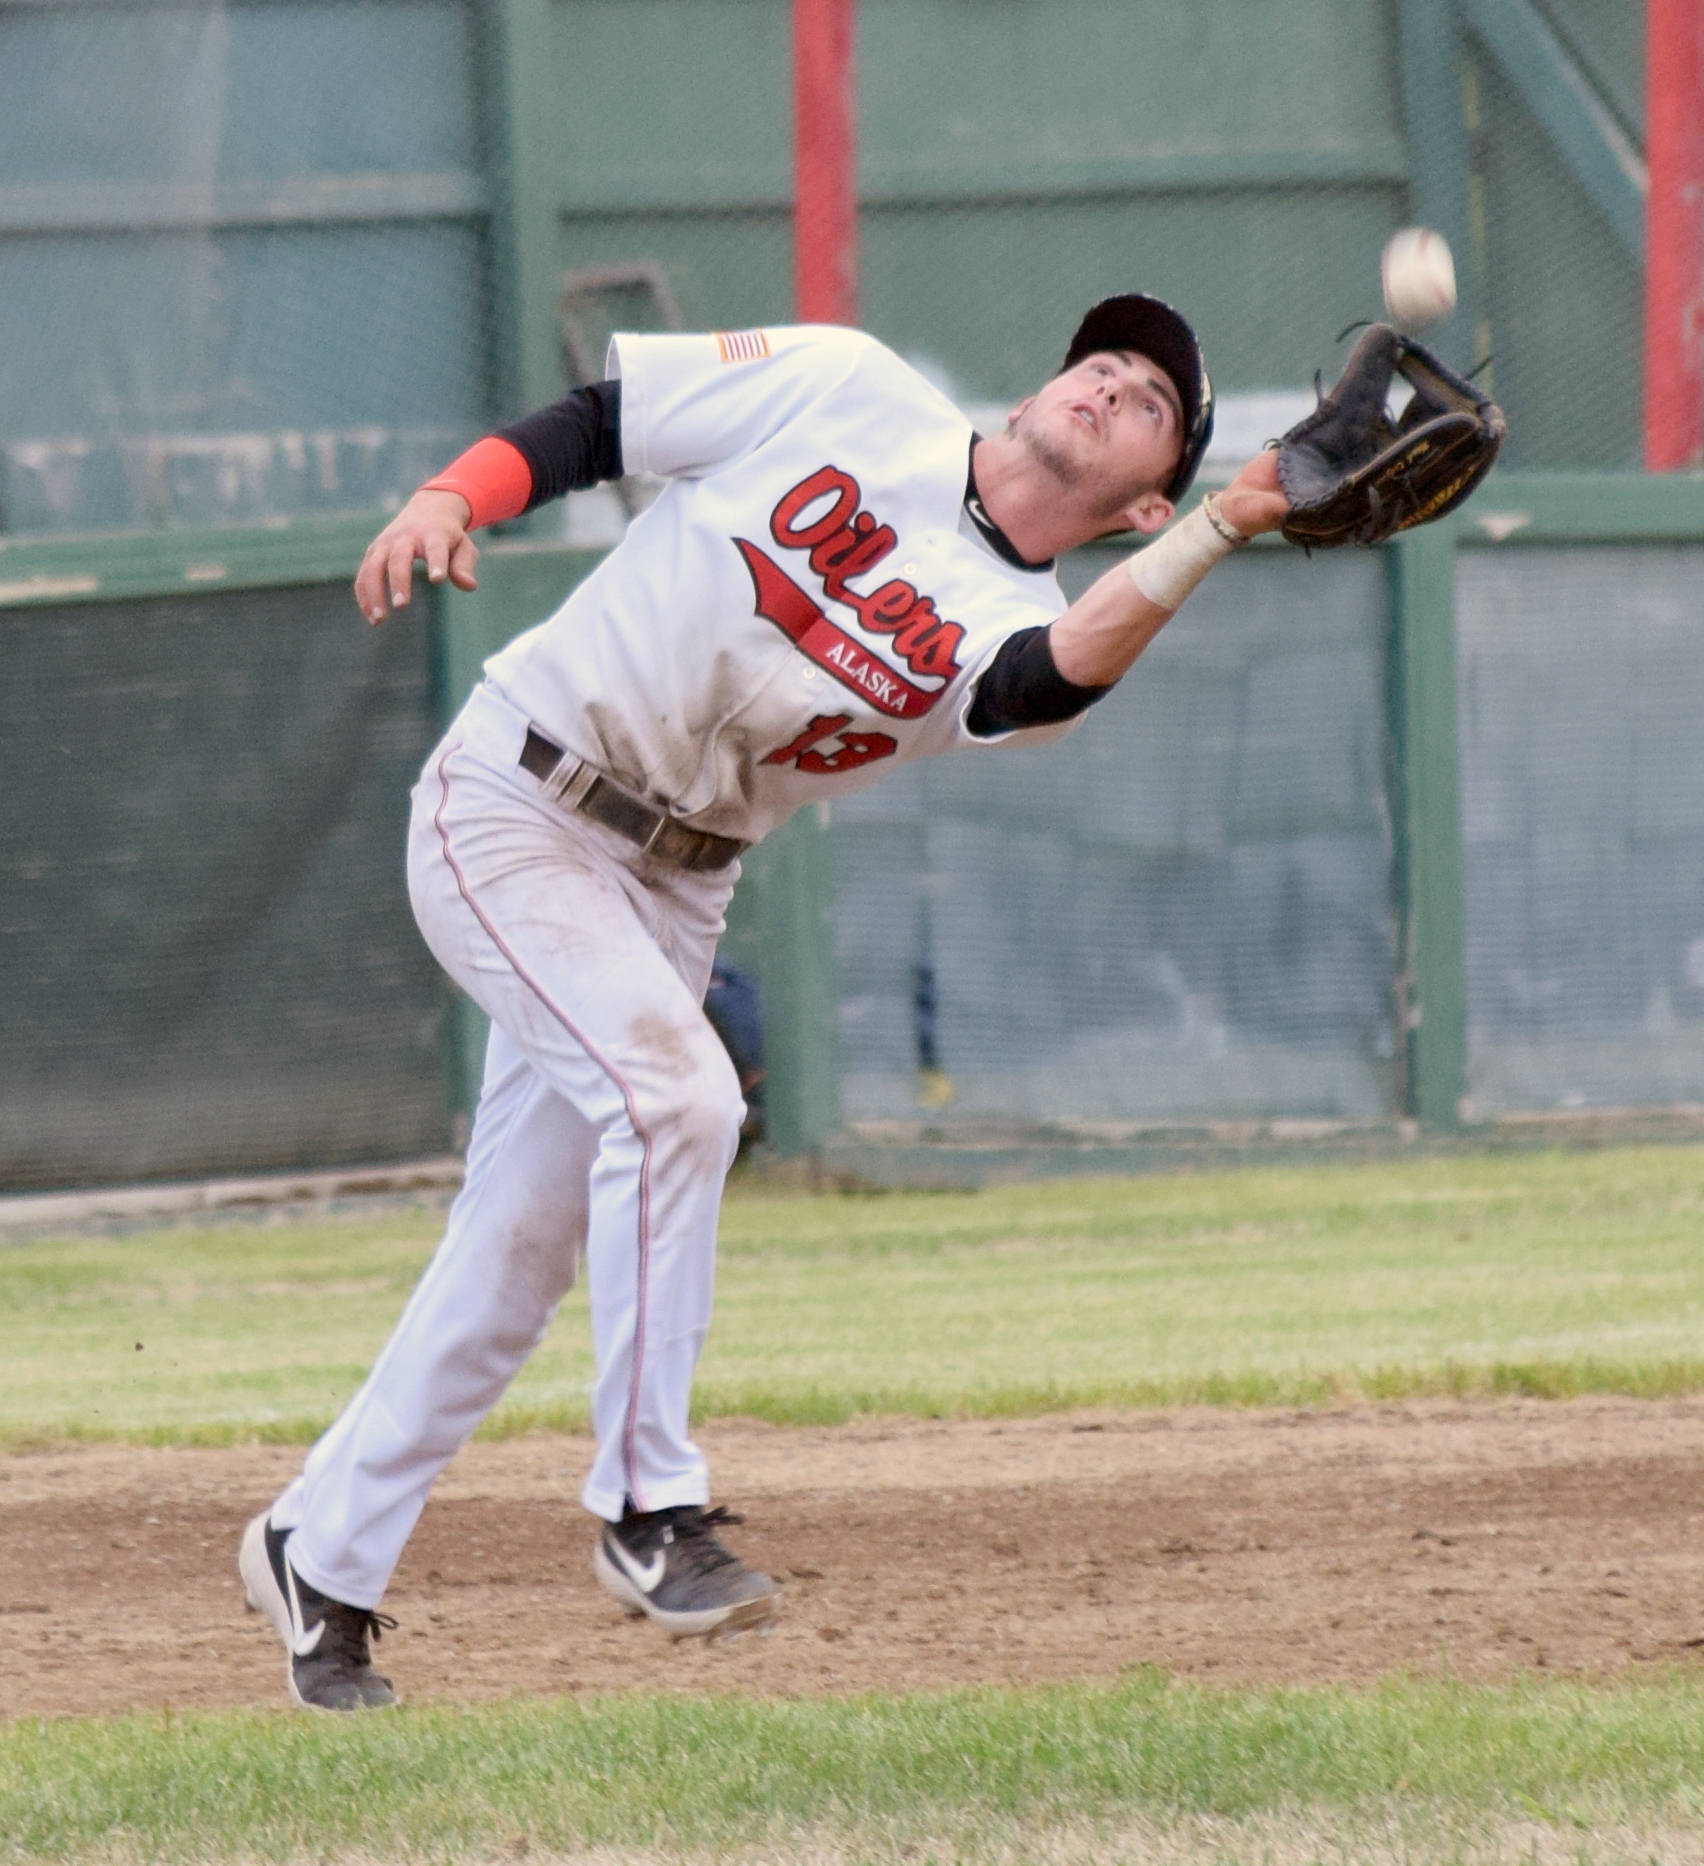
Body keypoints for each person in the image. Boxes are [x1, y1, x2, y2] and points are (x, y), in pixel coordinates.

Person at [238, 295, 1292, 1711]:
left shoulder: (1021, 620)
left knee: (518, 1257)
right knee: (677, 1098)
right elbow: (606, 424)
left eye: (1150, 398)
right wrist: (450, 493)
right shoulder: (847, 384)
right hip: (517, 797)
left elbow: (1048, 679)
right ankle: (648, 1509)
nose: (1111, 381)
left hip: (674, 889)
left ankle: (321, 1551)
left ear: (1146, 495)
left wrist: (1221, 528)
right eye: (1102, 359)